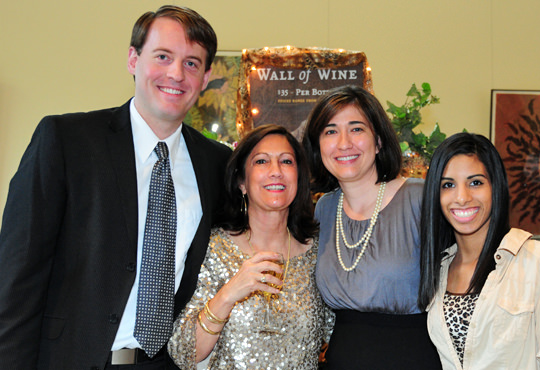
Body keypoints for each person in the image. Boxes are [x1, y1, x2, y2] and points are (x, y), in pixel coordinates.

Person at [0, 5, 232, 369]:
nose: (176, 73)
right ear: (132, 59)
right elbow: (16, 279)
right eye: (163, 56)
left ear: (205, 79)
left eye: (191, 63)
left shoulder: (217, 164)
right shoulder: (66, 142)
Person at [168, 124, 333, 369]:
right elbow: (184, 354)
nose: (276, 171)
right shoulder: (212, 247)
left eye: (286, 162)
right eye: (261, 162)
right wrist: (228, 294)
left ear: (298, 179)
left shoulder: (321, 253)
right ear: (241, 183)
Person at [302, 85, 441, 369]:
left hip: (412, 359)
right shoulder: (325, 209)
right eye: (330, 131)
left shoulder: (419, 198)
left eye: (356, 129)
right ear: (318, 146)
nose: (343, 143)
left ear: (378, 141)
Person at [418, 132, 540, 370]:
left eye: (475, 182)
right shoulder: (440, 269)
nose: (462, 197)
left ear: (496, 187)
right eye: (448, 185)